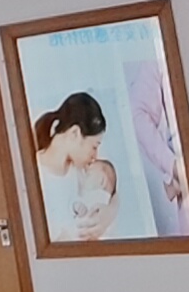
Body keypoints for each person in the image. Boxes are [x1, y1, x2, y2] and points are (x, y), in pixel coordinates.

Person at [28, 96, 121, 242]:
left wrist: (110, 213)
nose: (95, 155)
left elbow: (111, 189)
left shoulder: (84, 171)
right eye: (94, 146)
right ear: (75, 133)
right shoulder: (32, 175)